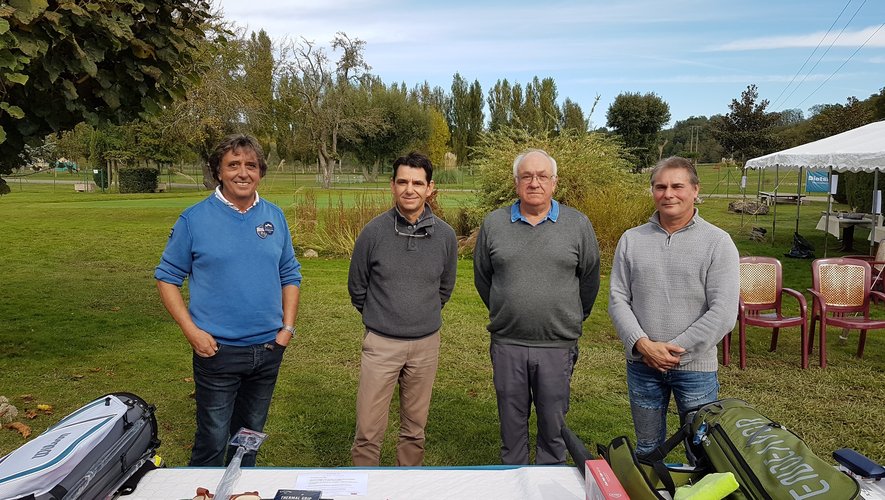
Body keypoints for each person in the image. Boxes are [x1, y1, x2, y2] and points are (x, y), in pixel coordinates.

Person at [155, 134, 302, 467]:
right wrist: (192, 332)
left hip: (268, 349)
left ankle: (240, 488)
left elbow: (290, 274)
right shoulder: (194, 219)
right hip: (217, 351)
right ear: (218, 171)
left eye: (251, 165)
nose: (243, 173)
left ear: (260, 172)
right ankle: (202, 487)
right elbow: (167, 278)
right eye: (233, 165)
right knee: (213, 438)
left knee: (248, 440)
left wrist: (287, 329)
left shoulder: (275, 216)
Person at [473, 149, 600, 465]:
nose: (534, 183)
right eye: (527, 176)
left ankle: (550, 477)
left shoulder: (577, 224)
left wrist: (569, 316)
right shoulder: (494, 224)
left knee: (554, 429)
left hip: (557, 344)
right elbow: (483, 277)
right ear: (516, 182)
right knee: (511, 426)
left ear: (554, 182)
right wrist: (508, 308)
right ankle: (514, 477)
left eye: (542, 176)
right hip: (508, 343)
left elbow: (589, 280)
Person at [608, 156, 739, 458]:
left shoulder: (718, 243)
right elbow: (617, 298)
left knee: (703, 454)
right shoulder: (631, 240)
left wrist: (672, 352)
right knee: (647, 449)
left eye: (677, 186)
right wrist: (643, 345)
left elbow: (722, 312)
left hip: (695, 368)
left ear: (695, 190)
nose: (668, 194)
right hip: (642, 364)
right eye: (660, 186)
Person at [348, 151, 458, 466]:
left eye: (417, 183)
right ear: (393, 185)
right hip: (381, 344)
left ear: (430, 188)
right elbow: (357, 286)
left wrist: (420, 315)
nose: (410, 189)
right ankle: (364, 485)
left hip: (425, 345)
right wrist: (382, 317)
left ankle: (407, 484)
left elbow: (445, 287)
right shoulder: (373, 232)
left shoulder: (446, 236)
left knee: (414, 430)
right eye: (403, 182)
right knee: (368, 431)